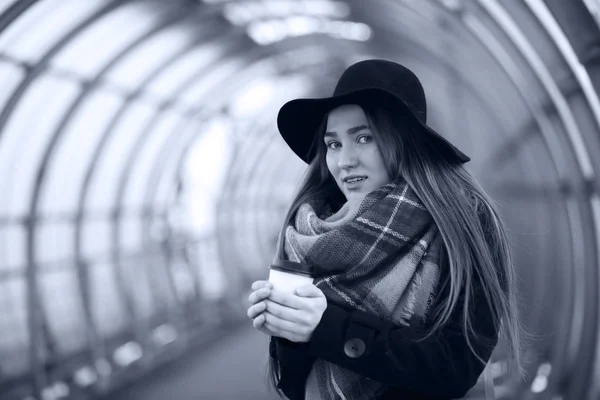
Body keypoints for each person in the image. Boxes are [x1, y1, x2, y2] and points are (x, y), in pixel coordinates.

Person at [247, 59, 528, 400]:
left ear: (404, 141)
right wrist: (287, 327)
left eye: (363, 138)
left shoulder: (462, 220)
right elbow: (293, 385)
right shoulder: (310, 232)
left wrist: (324, 326)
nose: (344, 160)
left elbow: (456, 367)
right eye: (333, 144)